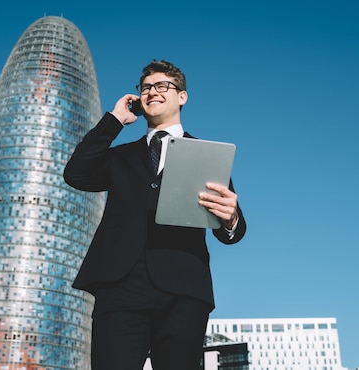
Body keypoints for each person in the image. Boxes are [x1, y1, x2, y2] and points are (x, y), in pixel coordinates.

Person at [63, 59, 247, 370]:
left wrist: (231, 219)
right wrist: (114, 120)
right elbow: (76, 174)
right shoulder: (120, 157)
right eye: (146, 87)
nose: (153, 92)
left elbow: (232, 231)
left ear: (182, 96)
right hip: (120, 286)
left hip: (184, 287)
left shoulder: (207, 156)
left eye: (163, 86)